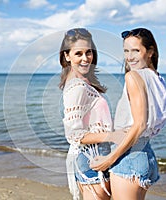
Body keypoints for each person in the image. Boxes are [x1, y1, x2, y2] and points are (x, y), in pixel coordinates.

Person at [90, 27, 166, 200]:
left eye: (136, 51)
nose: (129, 57)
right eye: (126, 51)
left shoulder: (133, 76)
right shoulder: (158, 78)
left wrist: (110, 159)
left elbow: (139, 125)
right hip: (146, 154)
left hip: (129, 157)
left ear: (150, 52)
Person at [59, 28, 113, 200]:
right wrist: (115, 135)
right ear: (67, 56)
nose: (85, 58)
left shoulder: (84, 82)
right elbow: (74, 135)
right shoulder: (77, 87)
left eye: (88, 52)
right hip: (91, 158)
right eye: (78, 53)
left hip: (97, 155)